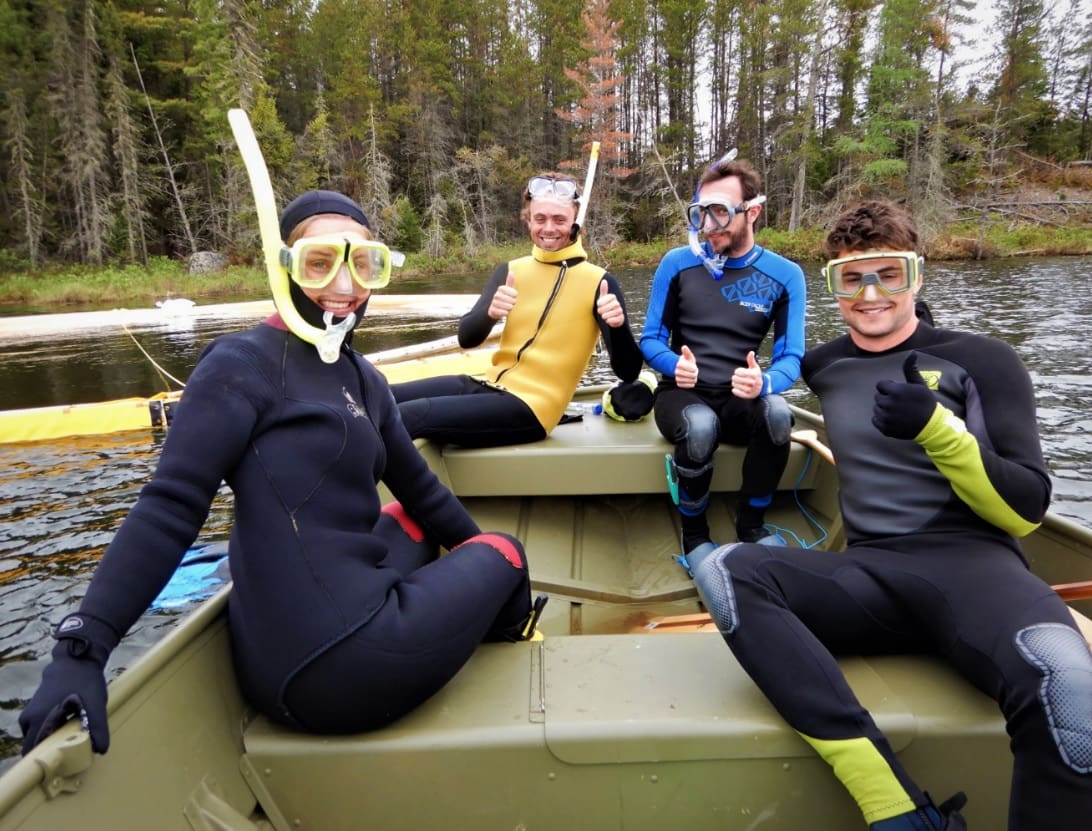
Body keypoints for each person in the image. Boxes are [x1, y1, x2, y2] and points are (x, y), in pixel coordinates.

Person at [20, 190, 543, 753]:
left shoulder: (362, 377)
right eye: (321, 263)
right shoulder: (240, 365)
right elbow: (170, 506)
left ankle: (449, 603)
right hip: (349, 668)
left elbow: (422, 494)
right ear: (285, 267)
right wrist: (82, 650)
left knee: (408, 518)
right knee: (506, 550)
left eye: (363, 264)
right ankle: (509, 627)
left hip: (275, 666)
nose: (344, 287)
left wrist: (465, 551)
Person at [690, 200, 1092, 829]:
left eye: (889, 274)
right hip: (872, 575)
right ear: (832, 284)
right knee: (723, 570)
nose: (870, 294)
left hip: (975, 567)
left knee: (1069, 693)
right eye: (850, 277)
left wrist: (937, 430)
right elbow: (755, 396)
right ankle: (893, 804)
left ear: (916, 275)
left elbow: (1026, 511)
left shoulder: (985, 360)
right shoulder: (824, 366)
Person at [391, 172, 646, 448]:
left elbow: (628, 372)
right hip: (488, 386)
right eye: (540, 219)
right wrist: (490, 313)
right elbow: (467, 338)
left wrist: (617, 326)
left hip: (533, 409)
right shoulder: (512, 271)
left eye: (559, 219)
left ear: (576, 221)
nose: (549, 228)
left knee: (411, 415)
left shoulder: (599, 282)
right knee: (382, 396)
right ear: (528, 220)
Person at [639, 154, 806, 565]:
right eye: (701, 214)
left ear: (752, 212)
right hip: (681, 395)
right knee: (699, 426)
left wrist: (764, 383)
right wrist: (671, 364)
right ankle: (694, 535)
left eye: (720, 213)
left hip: (738, 398)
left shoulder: (785, 275)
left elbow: (791, 357)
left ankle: (751, 524)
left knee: (779, 414)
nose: (708, 226)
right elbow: (650, 339)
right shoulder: (678, 264)